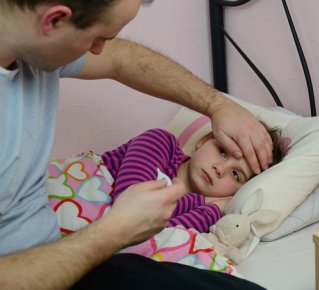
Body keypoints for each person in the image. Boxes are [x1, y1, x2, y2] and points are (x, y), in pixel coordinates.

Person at [0, 0, 272, 289]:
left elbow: (121, 58)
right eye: (98, 37)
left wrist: (216, 104)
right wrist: (113, 232)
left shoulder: (36, 46)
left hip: (69, 262)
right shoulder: (159, 144)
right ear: (54, 20)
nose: (99, 50)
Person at [48, 126, 284, 234]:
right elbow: (132, 211)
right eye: (222, 151)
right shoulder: (162, 143)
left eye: (236, 174)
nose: (219, 168)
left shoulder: (204, 213)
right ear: (204, 140)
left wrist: (214, 209)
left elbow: (151, 238)